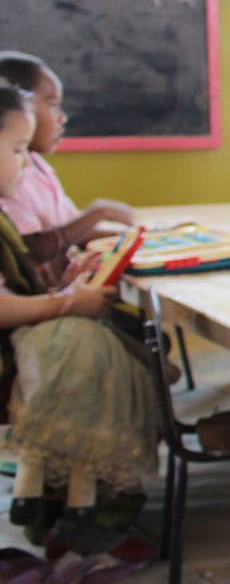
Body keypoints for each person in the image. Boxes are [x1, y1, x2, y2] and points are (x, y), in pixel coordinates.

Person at [0, 79, 157, 560]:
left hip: (28, 332)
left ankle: (75, 503)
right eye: (18, 149)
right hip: (12, 349)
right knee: (97, 351)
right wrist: (67, 303)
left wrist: (69, 281)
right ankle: (78, 506)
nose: (26, 164)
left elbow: (24, 286)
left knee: (109, 348)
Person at [0, 52, 133, 285]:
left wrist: (141, 237)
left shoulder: (37, 165)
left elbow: (74, 235)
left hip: (59, 294)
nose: (62, 118)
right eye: (52, 104)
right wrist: (98, 213)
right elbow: (31, 250)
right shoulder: (10, 179)